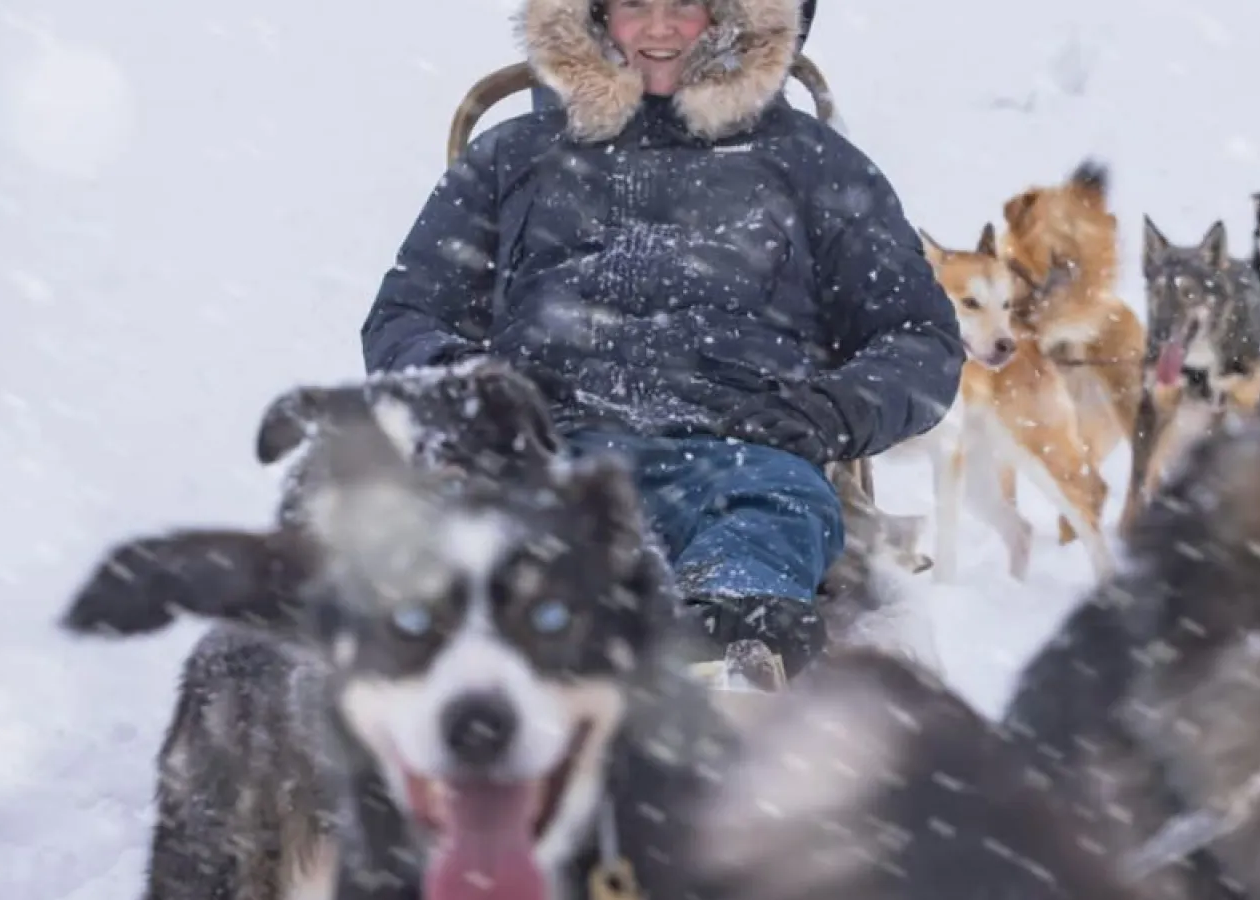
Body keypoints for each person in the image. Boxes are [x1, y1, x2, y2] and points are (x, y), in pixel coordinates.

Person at [360, 0, 963, 676]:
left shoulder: (813, 163)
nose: (658, 29)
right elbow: (407, 317)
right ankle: (536, 649)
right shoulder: (512, 156)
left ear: (734, 19)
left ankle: (724, 649)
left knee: (769, 520)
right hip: (547, 453)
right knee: (488, 541)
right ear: (590, 17)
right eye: (634, 6)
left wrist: (826, 411)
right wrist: (473, 398)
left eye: (687, 7)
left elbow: (920, 337)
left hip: (742, 454)